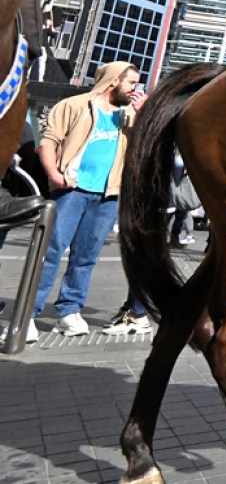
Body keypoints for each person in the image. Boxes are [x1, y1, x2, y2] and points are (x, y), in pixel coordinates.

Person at [32, 61, 146, 336]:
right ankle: (28, 314)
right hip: (71, 190)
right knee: (50, 252)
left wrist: (142, 116)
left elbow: (144, 147)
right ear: (113, 81)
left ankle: (69, 310)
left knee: (85, 257)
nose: (136, 90)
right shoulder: (75, 105)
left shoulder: (130, 115)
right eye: (132, 83)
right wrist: (54, 174)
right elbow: (48, 142)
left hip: (108, 196)